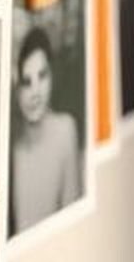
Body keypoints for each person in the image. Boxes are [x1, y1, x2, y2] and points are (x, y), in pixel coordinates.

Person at [9, 24, 81, 234]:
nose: (35, 92)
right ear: (16, 87)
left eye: (42, 76)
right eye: (26, 82)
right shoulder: (13, 149)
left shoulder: (66, 130)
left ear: (52, 76)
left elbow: (72, 219)